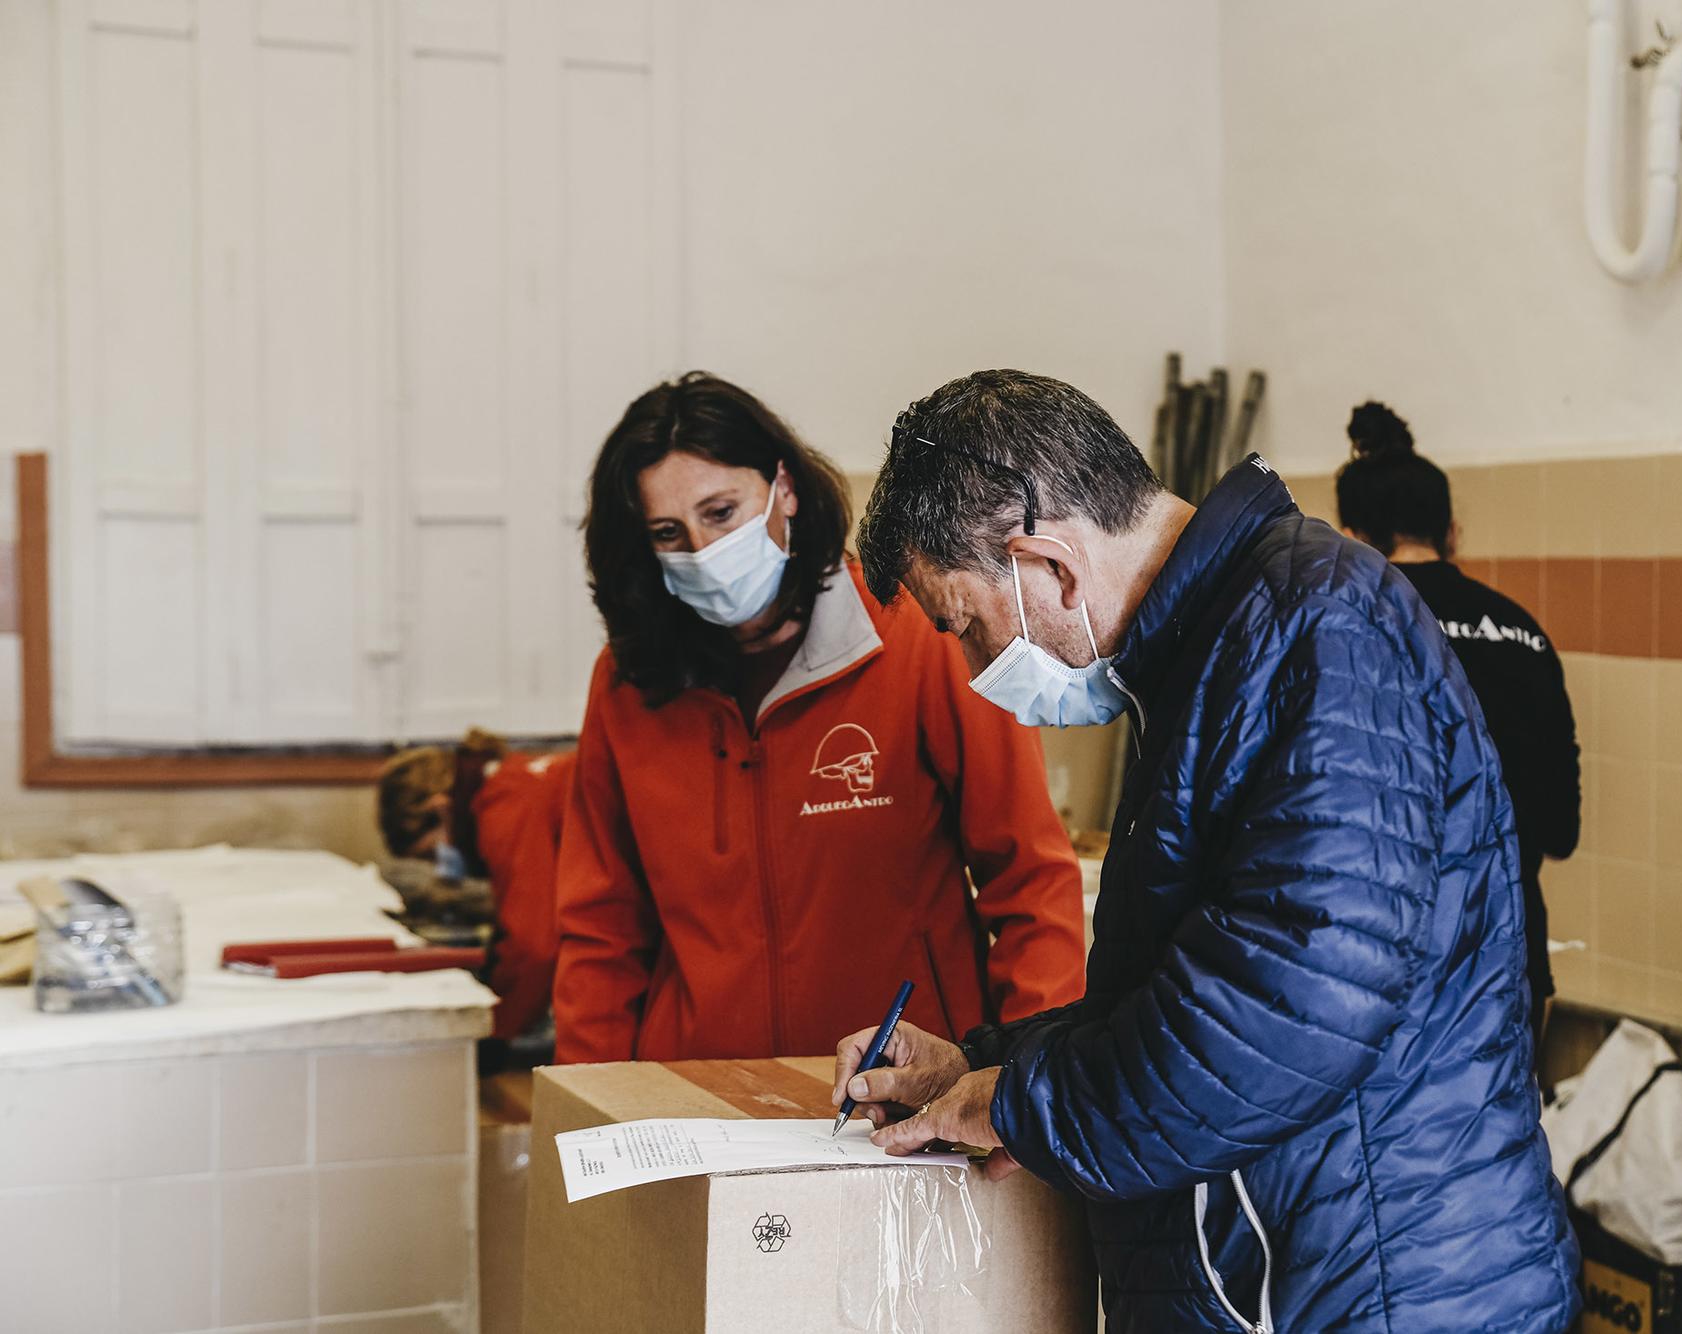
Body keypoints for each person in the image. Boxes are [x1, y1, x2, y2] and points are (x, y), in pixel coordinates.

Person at [833, 370, 1578, 1332]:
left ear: (1048, 564)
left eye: (971, 629)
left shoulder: (1320, 628)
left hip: (1382, 1297)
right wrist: (982, 1065)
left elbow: (1290, 1013)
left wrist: (1023, 1107)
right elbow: (1185, 991)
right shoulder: (1215, 652)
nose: (979, 675)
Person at [554, 372, 1087, 1065]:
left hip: (899, 1096)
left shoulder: (916, 638)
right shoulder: (630, 683)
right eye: (668, 532)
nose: (703, 552)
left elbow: (1030, 880)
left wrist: (1026, 1083)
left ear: (785, 489)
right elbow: (602, 928)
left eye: (720, 512)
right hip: (700, 1096)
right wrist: (591, 1109)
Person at [1335, 400, 1581, 1051]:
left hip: (1389, 976)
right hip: (1515, 964)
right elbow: (1562, 827)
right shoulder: (1523, 631)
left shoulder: (1349, 628)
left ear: (1352, 537)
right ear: (1453, 531)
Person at [377, 728, 575, 1045]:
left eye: (431, 853)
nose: (441, 867)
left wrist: (495, 1032)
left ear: (440, 808)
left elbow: (534, 947)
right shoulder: (512, 780)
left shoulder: (504, 808)